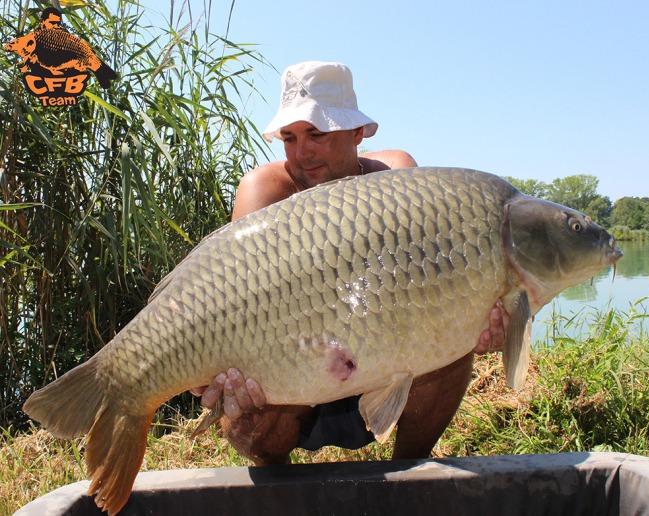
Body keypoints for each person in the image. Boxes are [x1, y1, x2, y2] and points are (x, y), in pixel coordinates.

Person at [192, 61, 509, 465]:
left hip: (379, 367)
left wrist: (477, 318)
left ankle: (408, 474)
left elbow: (428, 293)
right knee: (244, 405)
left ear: (356, 133)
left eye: (317, 134)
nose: (302, 153)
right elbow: (235, 303)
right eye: (289, 137)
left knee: (448, 352)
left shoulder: (397, 177)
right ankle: (283, 490)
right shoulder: (264, 190)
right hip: (293, 376)